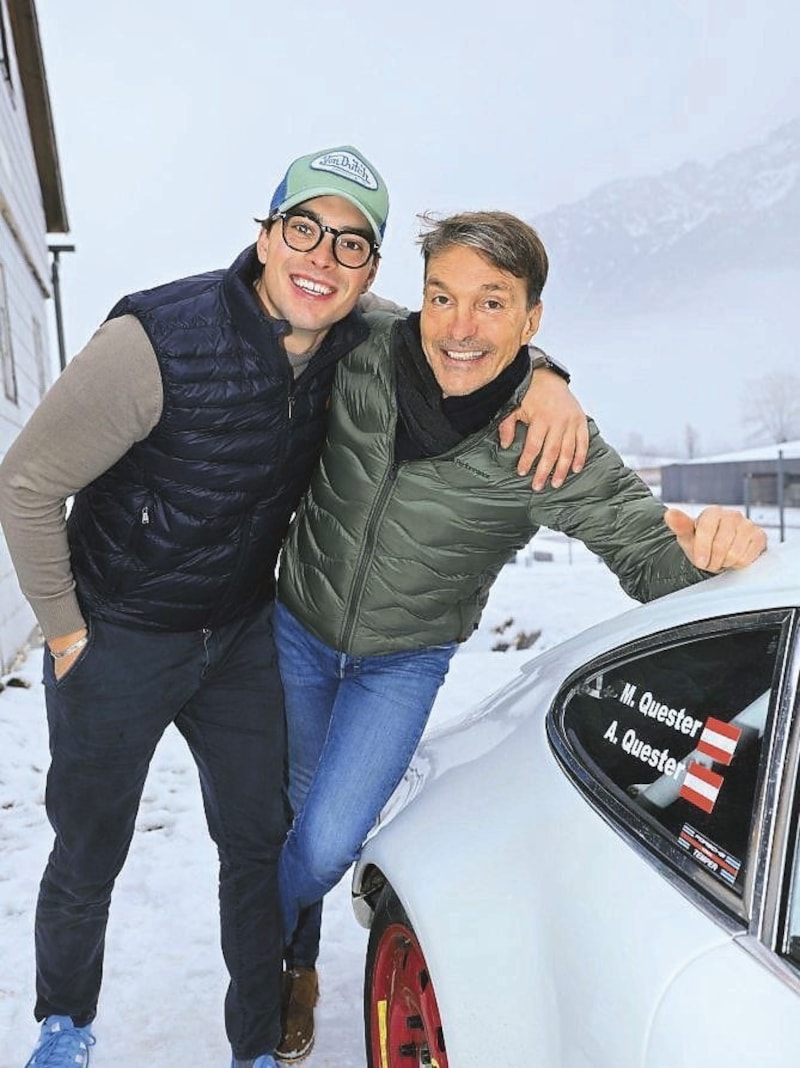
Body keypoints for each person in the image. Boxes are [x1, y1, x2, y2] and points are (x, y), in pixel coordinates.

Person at [0, 147, 587, 1068]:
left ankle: (257, 1043)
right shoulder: (155, 338)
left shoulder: (359, 335)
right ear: (267, 237)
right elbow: (27, 483)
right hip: (118, 633)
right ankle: (64, 1024)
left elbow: (466, 338)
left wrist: (548, 374)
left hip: (235, 635)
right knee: (89, 848)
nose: (323, 257)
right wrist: (68, 629)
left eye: (350, 244)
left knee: (258, 842)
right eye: (303, 229)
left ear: (370, 271)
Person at [272, 209, 768, 1062]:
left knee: (321, 841)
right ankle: (286, 962)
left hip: (402, 663)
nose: (460, 327)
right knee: (280, 811)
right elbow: (293, 292)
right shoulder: (364, 348)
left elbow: (647, 555)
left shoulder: (548, 442)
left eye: (492, 304)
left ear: (532, 318)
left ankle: (265, 928)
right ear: (420, 300)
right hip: (294, 629)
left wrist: (716, 556)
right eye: (443, 298)